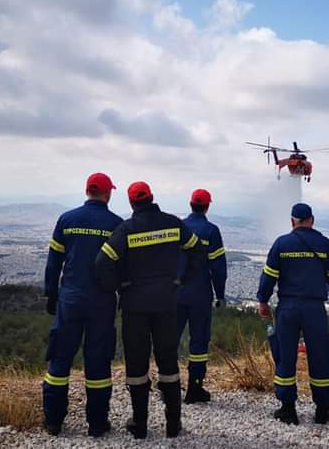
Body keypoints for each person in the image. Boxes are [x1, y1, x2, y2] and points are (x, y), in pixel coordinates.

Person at [94, 181, 206, 439]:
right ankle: (173, 424)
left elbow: (102, 263)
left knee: (137, 365)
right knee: (168, 362)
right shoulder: (173, 224)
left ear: (132, 203)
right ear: (152, 197)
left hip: (135, 306)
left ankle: (141, 425)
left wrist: (120, 286)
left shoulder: (126, 230)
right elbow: (197, 251)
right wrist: (182, 280)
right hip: (167, 303)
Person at [42, 173, 123, 437]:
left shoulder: (67, 220)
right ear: (108, 194)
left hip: (70, 300)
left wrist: (50, 295)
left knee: (60, 359)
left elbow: (54, 262)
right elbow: (124, 269)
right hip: (102, 303)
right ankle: (97, 424)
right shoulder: (116, 225)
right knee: (98, 363)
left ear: (86, 190)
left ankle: (53, 421)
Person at [257, 203, 329, 426]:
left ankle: (288, 410)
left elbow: (269, 277)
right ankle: (322, 411)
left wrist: (263, 301)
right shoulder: (324, 243)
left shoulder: (282, 243)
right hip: (315, 308)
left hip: (288, 307)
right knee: (320, 357)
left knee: (285, 357)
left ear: (292, 221)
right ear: (312, 220)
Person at [177, 189, 227, 404]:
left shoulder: (177, 228)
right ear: (207, 206)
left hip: (175, 294)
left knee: (169, 340)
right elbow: (218, 268)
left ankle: (167, 387)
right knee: (199, 342)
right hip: (200, 294)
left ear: (190, 204)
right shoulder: (210, 231)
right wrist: (220, 295)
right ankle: (194, 389)